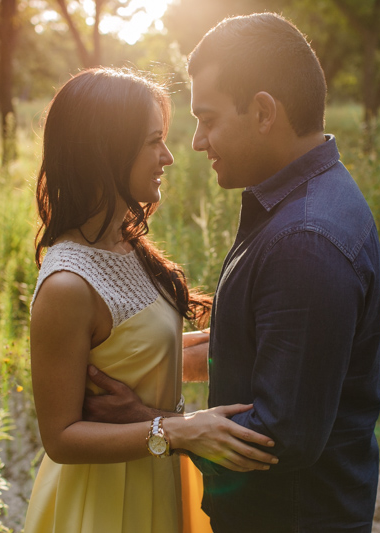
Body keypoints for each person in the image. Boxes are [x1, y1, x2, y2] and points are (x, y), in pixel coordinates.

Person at [84, 13, 380, 533]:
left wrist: (149, 423)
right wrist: (145, 360)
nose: (197, 142)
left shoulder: (305, 240)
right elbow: (253, 345)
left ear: (264, 111)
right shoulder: (302, 202)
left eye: (209, 118)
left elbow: (277, 434)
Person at [25, 68, 278, 533]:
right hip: (102, 499)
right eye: (152, 142)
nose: (169, 157)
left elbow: (142, 353)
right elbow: (60, 438)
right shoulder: (66, 285)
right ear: (105, 151)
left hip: (154, 471)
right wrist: (178, 430)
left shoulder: (125, 244)